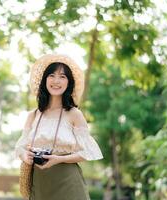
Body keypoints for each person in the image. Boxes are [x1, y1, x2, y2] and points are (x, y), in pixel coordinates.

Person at [15, 54, 103, 200]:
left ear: (69, 82)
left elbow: (87, 152)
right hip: (40, 183)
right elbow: (20, 147)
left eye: (62, 76)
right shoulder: (34, 115)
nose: (56, 81)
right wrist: (26, 155)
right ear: (45, 80)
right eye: (52, 75)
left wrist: (59, 159)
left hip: (68, 181)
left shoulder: (74, 114)